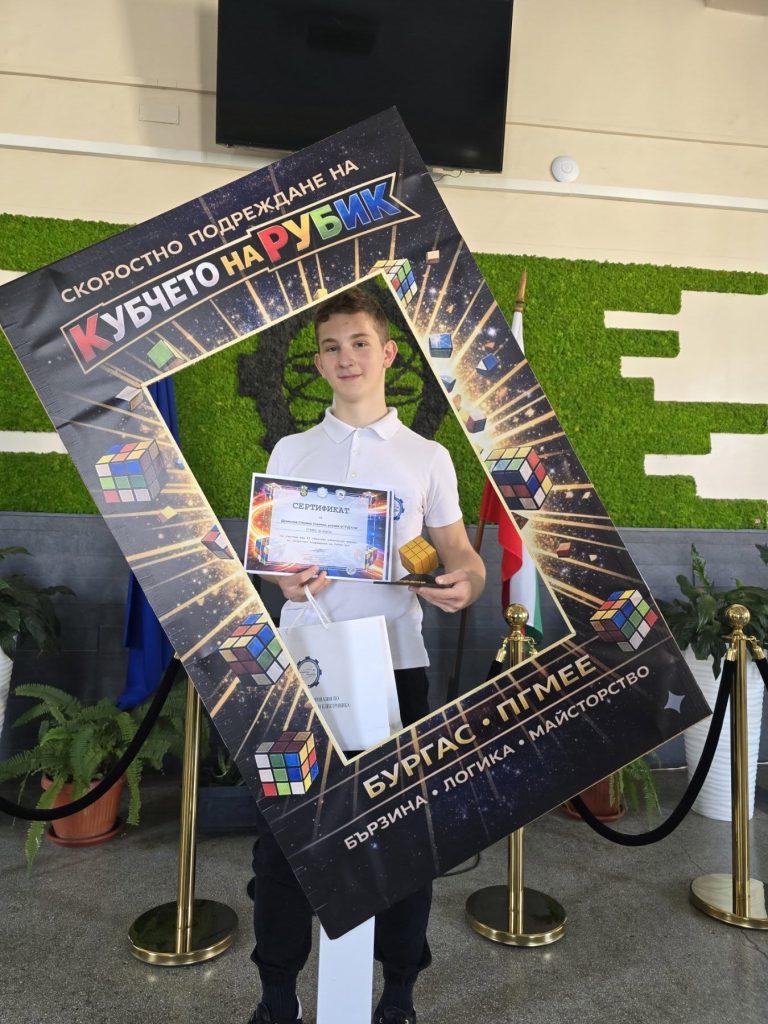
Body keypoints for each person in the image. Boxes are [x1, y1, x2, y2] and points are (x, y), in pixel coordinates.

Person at [249, 284, 486, 1024]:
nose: (346, 357)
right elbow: (273, 560)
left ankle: (400, 992)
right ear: (319, 364)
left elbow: (460, 556)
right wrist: (282, 579)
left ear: (387, 354)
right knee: (284, 841)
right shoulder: (291, 450)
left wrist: (466, 583)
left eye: (359, 343)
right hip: (303, 670)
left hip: (396, 670)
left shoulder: (427, 458)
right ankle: (277, 995)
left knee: (402, 837)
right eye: (331, 347)